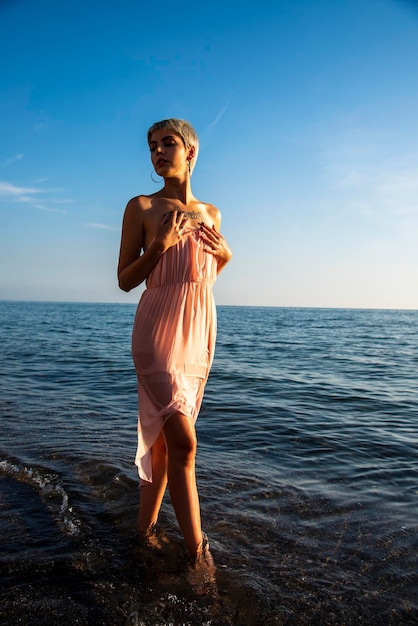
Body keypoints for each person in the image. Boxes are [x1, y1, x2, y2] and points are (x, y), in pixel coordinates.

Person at [117, 118, 232, 581]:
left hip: (198, 331)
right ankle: (198, 555)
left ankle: (143, 531)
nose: (158, 152)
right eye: (151, 146)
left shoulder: (212, 214)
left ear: (191, 152)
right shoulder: (141, 207)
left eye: (168, 143)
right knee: (184, 441)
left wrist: (224, 259)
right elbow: (125, 279)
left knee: (167, 445)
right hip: (157, 332)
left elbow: (201, 280)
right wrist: (159, 244)